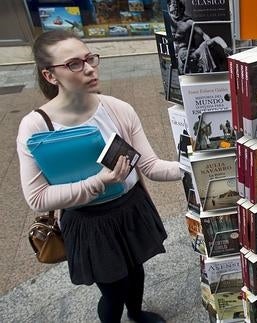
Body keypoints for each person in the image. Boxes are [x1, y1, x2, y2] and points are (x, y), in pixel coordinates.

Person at [16, 30, 183, 323]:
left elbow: (151, 166)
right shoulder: (36, 126)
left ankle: (136, 313)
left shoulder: (118, 109)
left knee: (136, 268)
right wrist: (100, 182)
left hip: (131, 207)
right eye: (74, 64)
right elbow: (38, 197)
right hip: (89, 221)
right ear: (50, 76)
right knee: (113, 288)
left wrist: (194, 167)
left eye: (90, 58)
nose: (90, 68)